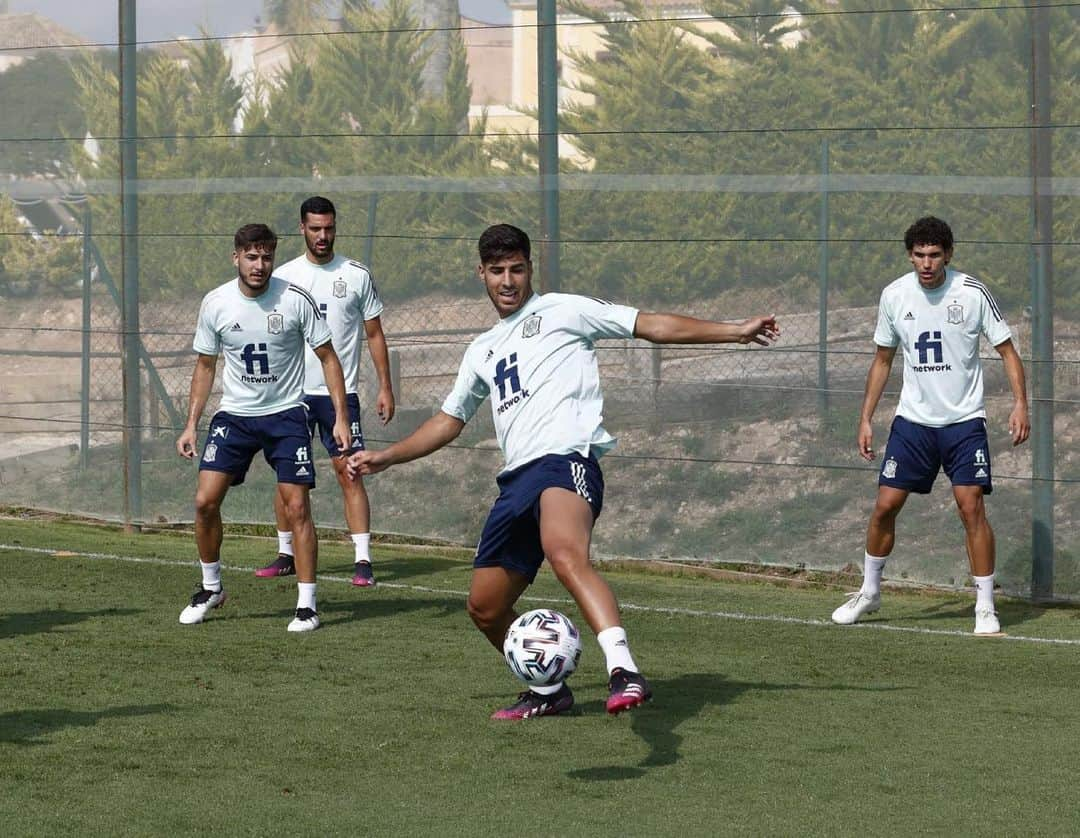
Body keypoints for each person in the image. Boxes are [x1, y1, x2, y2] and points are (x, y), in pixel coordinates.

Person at [347, 224, 780, 719]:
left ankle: (624, 670)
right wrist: (386, 456)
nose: (507, 281)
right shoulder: (481, 349)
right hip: (516, 482)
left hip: (566, 461)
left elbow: (651, 324)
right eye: (496, 272)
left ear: (532, 268)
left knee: (564, 551)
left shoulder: (564, 310)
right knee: (485, 608)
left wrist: (734, 330)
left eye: (517, 269)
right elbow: (448, 422)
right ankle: (550, 694)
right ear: (481, 274)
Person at [831, 216, 1029, 635]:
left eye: (934, 255)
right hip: (913, 424)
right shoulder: (894, 295)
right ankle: (869, 592)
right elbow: (882, 360)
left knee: (971, 505)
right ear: (909, 255)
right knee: (885, 505)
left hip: (964, 422)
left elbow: (1008, 352)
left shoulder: (972, 293)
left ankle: (985, 606)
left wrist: (1019, 404)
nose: (926, 263)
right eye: (919, 254)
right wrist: (865, 418)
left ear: (948, 254)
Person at [176, 223, 350, 632]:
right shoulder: (216, 303)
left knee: (297, 507)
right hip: (234, 416)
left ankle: (306, 605)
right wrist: (190, 426)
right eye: (251, 257)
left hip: (287, 414)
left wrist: (341, 416)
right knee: (204, 502)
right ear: (236, 257)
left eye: (266, 257)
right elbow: (205, 366)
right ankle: (210, 588)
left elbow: (328, 357)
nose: (259, 265)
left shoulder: (294, 300)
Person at [254, 197, 395, 587]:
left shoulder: (355, 274)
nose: (322, 235)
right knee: (288, 476)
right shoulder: (282, 278)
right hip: (289, 394)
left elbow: (374, 333)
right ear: (302, 228)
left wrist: (385, 386)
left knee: (349, 471)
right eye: (315, 229)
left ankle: (363, 560)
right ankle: (285, 553)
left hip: (339, 395)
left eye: (328, 228)